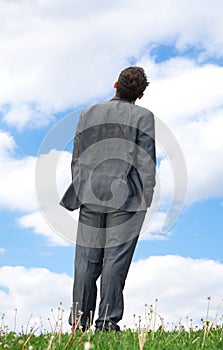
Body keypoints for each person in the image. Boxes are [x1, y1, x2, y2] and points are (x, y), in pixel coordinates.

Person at [60, 66, 156, 331]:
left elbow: (77, 156)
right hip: (127, 199)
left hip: (89, 194)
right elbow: (147, 164)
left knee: (86, 260)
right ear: (141, 94)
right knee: (115, 259)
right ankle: (106, 322)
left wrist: (82, 188)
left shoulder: (88, 113)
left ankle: (79, 322)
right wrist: (146, 199)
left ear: (116, 84)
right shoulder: (144, 117)